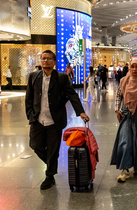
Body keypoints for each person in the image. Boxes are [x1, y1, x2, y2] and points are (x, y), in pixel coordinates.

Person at [25, 50, 90, 190]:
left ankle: (49, 177)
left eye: (49, 59)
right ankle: (51, 164)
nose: (45, 61)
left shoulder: (60, 77)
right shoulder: (33, 77)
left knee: (53, 150)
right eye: (43, 58)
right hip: (38, 119)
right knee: (35, 145)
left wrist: (81, 112)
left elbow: (72, 95)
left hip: (55, 120)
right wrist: (30, 115)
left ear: (54, 62)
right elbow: (28, 98)